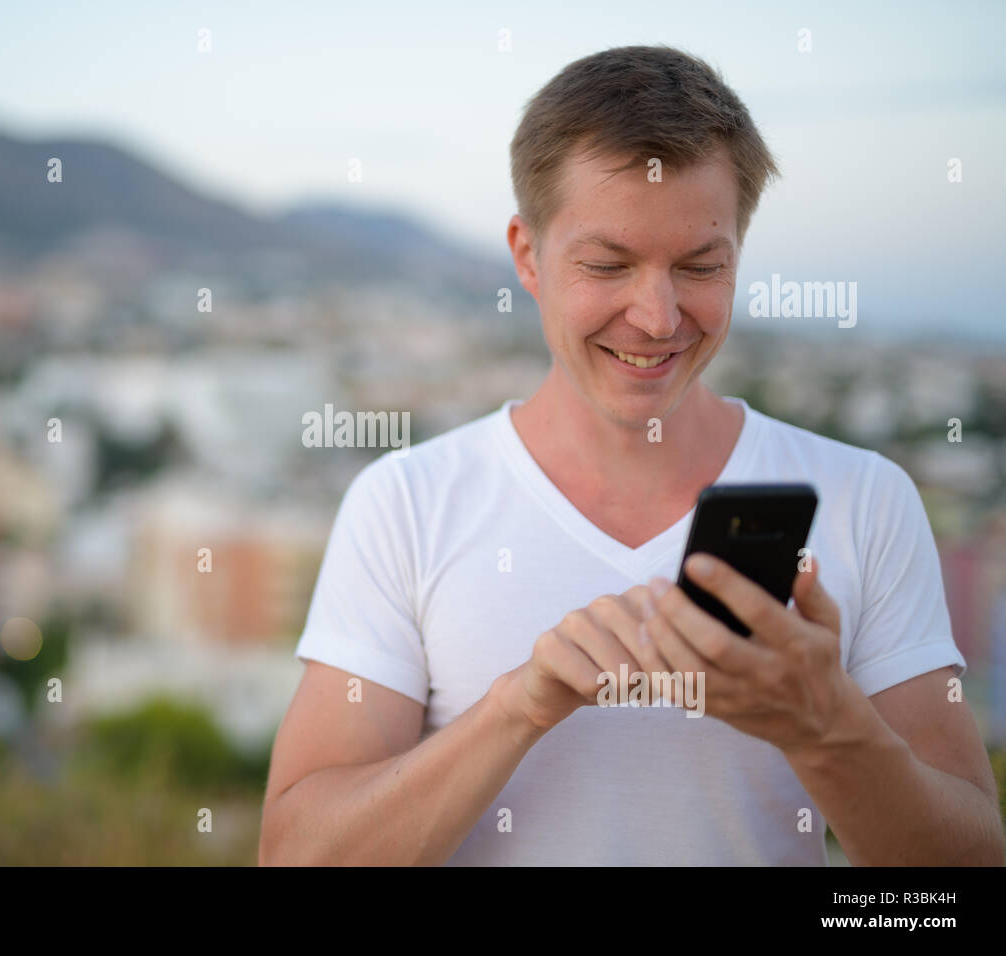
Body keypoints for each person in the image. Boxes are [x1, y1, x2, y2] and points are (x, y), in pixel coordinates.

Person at [258, 45, 1006, 866]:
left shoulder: (865, 499)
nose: (657, 317)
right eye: (607, 265)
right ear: (526, 256)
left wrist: (827, 729)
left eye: (700, 267)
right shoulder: (404, 502)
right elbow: (298, 856)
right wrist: (519, 707)